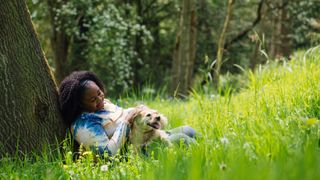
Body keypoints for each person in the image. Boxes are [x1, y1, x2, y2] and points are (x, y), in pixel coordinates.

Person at [59, 71, 196, 157]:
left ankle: (213, 151)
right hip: (136, 151)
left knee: (189, 130)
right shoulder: (84, 125)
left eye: (99, 93)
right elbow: (108, 153)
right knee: (182, 138)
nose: (100, 99)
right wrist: (126, 121)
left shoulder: (103, 104)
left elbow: (122, 114)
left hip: (147, 136)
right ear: (80, 104)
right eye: (93, 100)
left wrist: (138, 110)